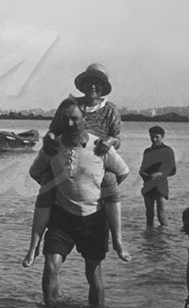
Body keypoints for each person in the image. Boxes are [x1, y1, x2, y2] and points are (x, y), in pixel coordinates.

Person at [23, 62, 129, 267]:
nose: (93, 86)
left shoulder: (110, 110)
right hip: (67, 153)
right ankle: (33, 246)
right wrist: (49, 139)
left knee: (109, 182)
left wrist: (109, 141)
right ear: (83, 84)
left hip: (97, 157)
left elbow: (117, 137)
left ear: (103, 87)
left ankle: (118, 241)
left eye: (97, 83)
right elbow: (53, 129)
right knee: (46, 184)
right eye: (89, 82)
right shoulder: (70, 105)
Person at [28, 97, 130, 307]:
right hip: (62, 218)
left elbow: (123, 172)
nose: (70, 124)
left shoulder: (99, 146)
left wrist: (101, 188)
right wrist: (53, 185)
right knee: (50, 267)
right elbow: (35, 172)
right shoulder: (52, 147)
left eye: (74, 119)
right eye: (65, 119)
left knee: (93, 273)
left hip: (93, 219)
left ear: (84, 119)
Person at [139, 125, 177, 227]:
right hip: (148, 184)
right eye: (152, 137)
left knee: (161, 214)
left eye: (157, 137)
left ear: (162, 137)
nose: (154, 139)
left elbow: (173, 170)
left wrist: (160, 174)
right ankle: (149, 234)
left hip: (161, 186)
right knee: (149, 214)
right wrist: (143, 174)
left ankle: (164, 234)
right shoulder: (147, 151)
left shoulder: (167, 150)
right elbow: (142, 168)